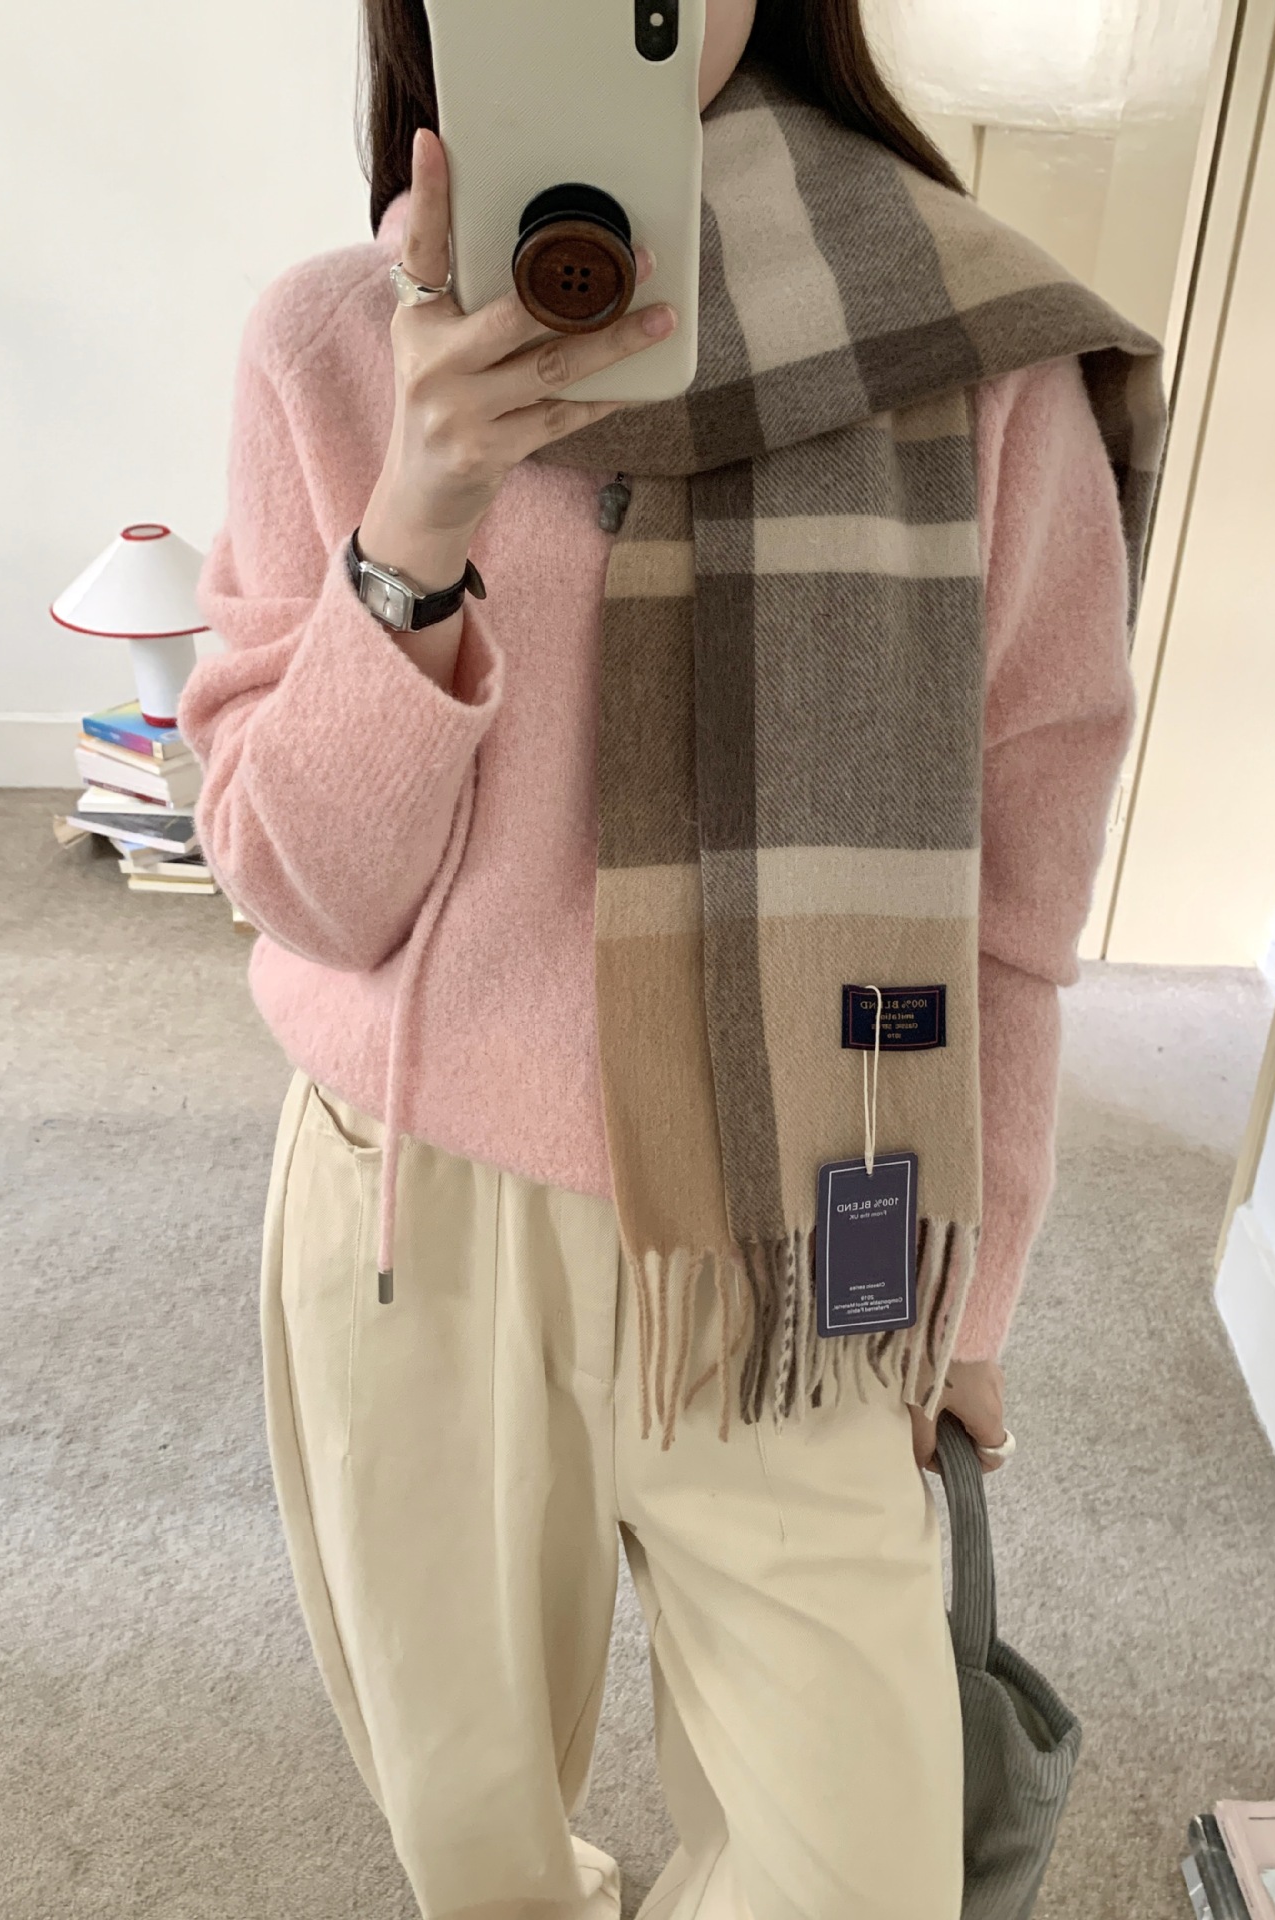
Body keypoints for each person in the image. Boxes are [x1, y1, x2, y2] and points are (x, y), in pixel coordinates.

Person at [179, 1, 1165, 1915]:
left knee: (857, 1872)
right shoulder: (332, 344)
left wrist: (970, 1310)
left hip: (808, 1210)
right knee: (475, 1850)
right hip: (416, 1223)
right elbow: (302, 888)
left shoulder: (974, 360)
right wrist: (415, 527)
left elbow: (1013, 913)